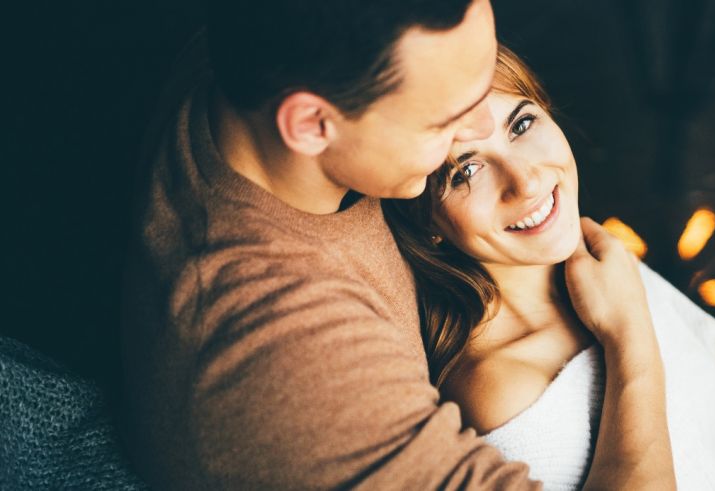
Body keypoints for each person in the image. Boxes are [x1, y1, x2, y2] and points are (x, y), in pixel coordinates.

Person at [120, 1, 672, 489]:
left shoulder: (262, 51)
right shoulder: (294, 369)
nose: (478, 123)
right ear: (312, 125)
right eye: (445, 118)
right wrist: (632, 338)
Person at [383, 45, 715, 490]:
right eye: (466, 170)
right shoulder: (502, 391)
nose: (525, 181)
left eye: (521, 124)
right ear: (428, 222)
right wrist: (629, 333)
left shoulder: (596, 262)